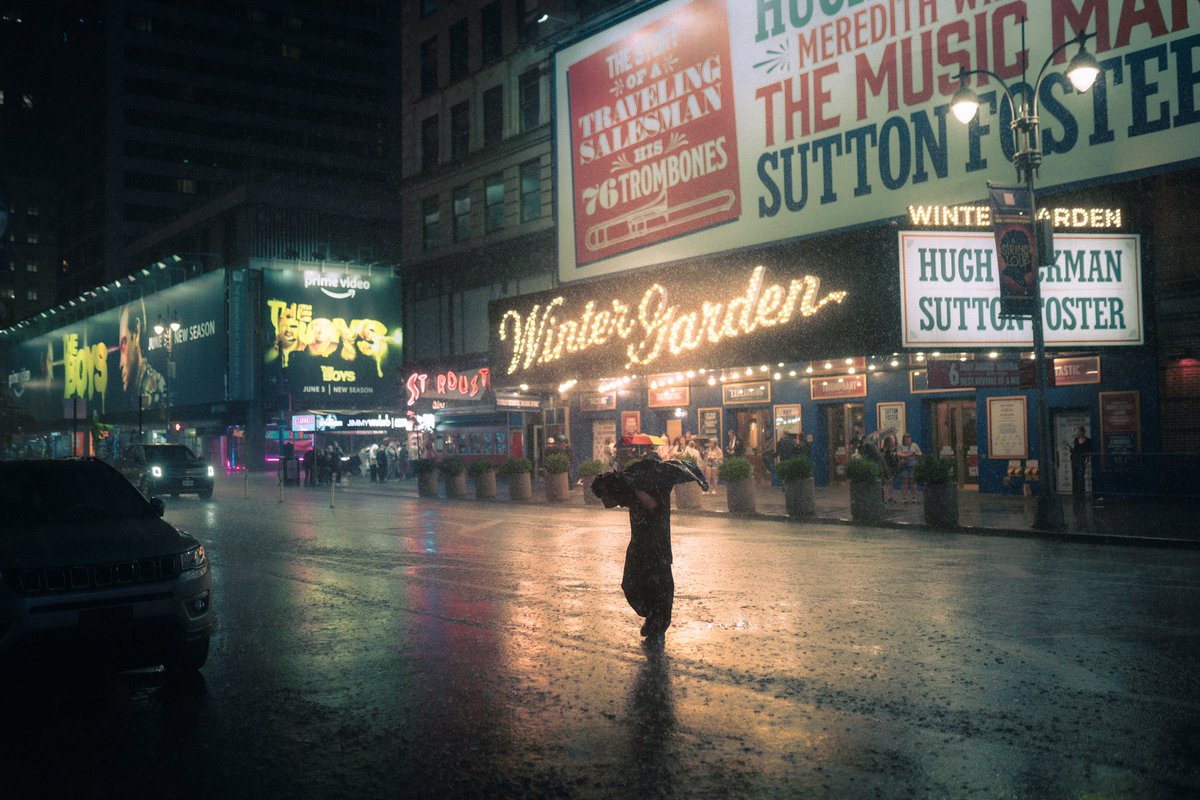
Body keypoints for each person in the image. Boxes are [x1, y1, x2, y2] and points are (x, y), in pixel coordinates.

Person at [591, 454, 708, 640]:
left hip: (657, 546)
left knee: (660, 589)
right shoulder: (633, 485)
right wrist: (612, 485)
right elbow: (608, 503)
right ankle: (651, 616)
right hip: (638, 544)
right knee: (630, 584)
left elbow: (651, 504)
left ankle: (656, 624)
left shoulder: (658, 487)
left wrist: (635, 487)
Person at [118, 299, 166, 409]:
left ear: (136, 333)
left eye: (124, 346)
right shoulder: (130, 394)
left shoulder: (156, 383)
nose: (120, 364)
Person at [896, 433, 922, 503]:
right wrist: (909, 454)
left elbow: (920, 453)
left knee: (913, 482)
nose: (907, 439)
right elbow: (898, 454)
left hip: (913, 465)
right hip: (904, 466)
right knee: (905, 482)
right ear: (903, 439)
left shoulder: (914, 445)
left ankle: (914, 497)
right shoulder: (900, 446)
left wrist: (915, 453)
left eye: (908, 437)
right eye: (905, 437)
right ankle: (904, 498)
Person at [1069, 426, 1092, 498]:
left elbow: (1088, 450)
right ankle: (1075, 492)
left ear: (1084, 432)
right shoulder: (1076, 440)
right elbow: (1075, 449)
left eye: (1081, 432)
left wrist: (1087, 458)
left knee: (1081, 476)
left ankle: (1081, 492)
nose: (1079, 433)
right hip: (1076, 459)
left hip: (1082, 459)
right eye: (1079, 432)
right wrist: (1072, 450)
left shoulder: (1088, 440)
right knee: (1075, 476)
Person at [881, 434, 899, 503]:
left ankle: (890, 497)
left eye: (892, 441)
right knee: (886, 483)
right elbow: (882, 457)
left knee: (891, 483)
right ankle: (884, 498)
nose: (892, 443)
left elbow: (896, 444)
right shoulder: (884, 450)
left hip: (892, 467)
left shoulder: (893, 449)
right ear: (887, 442)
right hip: (886, 468)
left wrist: (894, 435)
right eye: (890, 441)